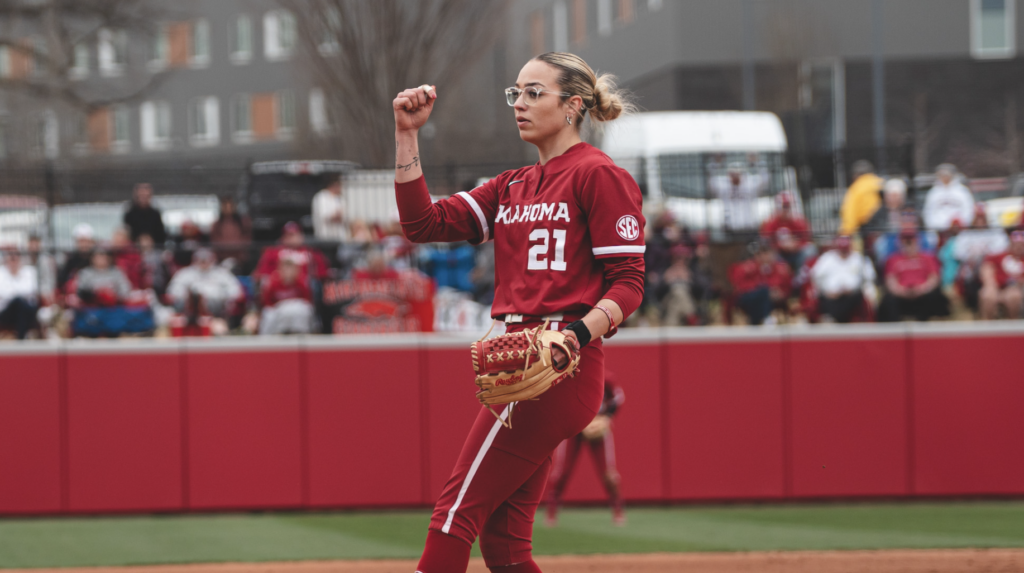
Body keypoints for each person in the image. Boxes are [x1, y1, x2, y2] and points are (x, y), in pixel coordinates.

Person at [393, 52, 644, 573]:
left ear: (573, 106)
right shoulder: (511, 185)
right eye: (516, 93)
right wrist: (406, 134)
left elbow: (629, 285)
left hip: (559, 362)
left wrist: (575, 336)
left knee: (454, 513)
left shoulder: (599, 175)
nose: (520, 104)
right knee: (505, 546)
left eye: (535, 93)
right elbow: (423, 224)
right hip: (519, 360)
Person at [544, 372, 627, 527]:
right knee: (562, 472)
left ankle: (618, 511)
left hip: (598, 425)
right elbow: (559, 400)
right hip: (575, 427)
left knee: (608, 474)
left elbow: (618, 397)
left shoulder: (604, 378)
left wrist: (608, 416)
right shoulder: (568, 376)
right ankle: (551, 513)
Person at [878, 230, 949, 322]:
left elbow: (934, 278)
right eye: (905, 240)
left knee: (936, 297)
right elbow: (890, 280)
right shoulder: (893, 259)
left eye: (911, 240)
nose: (909, 243)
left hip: (923, 294)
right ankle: (893, 331)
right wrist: (902, 291)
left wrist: (921, 289)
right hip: (901, 295)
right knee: (888, 300)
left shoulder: (928, 258)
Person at [810, 235, 877, 323]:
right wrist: (825, 291)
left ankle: (834, 320)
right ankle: (832, 320)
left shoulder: (859, 258)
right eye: (842, 250)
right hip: (830, 296)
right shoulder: (827, 258)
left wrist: (856, 290)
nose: (844, 252)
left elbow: (870, 278)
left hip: (853, 296)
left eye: (846, 250)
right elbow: (814, 276)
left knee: (858, 298)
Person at [166, 248, 243, 318]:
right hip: (188, 314)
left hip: (218, 313)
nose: (204, 262)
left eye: (206, 259)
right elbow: (173, 292)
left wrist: (218, 297)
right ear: (194, 260)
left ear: (213, 259)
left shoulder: (222, 273)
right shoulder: (184, 273)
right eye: (201, 260)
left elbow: (236, 291)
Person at [729, 240, 791, 326]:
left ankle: (756, 322)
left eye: (766, 252)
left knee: (764, 296)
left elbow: (786, 287)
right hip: (748, 298)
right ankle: (766, 319)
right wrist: (762, 289)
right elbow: (739, 286)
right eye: (760, 253)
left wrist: (779, 293)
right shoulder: (747, 267)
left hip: (772, 301)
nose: (763, 256)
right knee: (763, 293)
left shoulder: (781, 268)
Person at [253, 222, 329, 286]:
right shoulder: (272, 252)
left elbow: (323, 274)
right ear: (282, 237)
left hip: (305, 289)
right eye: (287, 235)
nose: (291, 238)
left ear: (301, 236)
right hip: (279, 288)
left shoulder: (311, 252)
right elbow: (260, 274)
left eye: (293, 234)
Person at [708, 158, 769, 236]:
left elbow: (764, 180)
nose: (735, 177)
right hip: (729, 227)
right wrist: (715, 163)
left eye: (737, 174)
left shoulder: (750, 185)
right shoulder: (723, 185)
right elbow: (710, 181)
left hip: (748, 226)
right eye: (732, 174)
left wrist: (757, 162)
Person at [259, 257, 315, 334]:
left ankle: (302, 334)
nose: (288, 272)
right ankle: (267, 339)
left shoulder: (301, 281)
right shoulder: (273, 282)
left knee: (304, 310)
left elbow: (307, 300)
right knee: (268, 314)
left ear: (296, 270)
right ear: (280, 270)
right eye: (285, 269)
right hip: (278, 309)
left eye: (291, 269)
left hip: (296, 310)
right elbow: (267, 302)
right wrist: (281, 307)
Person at [759, 191, 812, 272]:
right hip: (779, 253)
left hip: (797, 252)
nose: (785, 209)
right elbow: (766, 241)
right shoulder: (771, 222)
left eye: (787, 206)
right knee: (771, 255)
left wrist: (796, 245)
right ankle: (780, 278)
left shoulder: (799, 221)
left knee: (810, 250)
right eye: (783, 206)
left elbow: (806, 239)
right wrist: (781, 245)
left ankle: (801, 277)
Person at [978, 230, 1024, 320]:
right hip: (997, 287)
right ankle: (987, 328)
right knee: (988, 295)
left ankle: (1012, 328)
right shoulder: (1000, 256)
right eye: (1016, 244)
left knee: (1013, 296)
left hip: (1016, 288)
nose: (1018, 247)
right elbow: (986, 267)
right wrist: (990, 284)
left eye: (1021, 244)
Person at [923, 164, 974, 232]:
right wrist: (933, 228)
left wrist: (963, 225)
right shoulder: (933, 192)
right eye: (942, 175)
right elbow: (928, 212)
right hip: (939, 232)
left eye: (947, 174)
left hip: (959, 231)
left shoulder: (963, 191)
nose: (945, 177)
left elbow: (969, 209)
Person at [0, 250, 39, 339]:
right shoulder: (1, 273)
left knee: (20, 304)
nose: (13, 263)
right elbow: (3, 293)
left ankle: (21, 338)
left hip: (26, 309)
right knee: (18, 302)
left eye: (15, 259)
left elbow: (31, 291)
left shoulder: (29, 272)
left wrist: (14, 294)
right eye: (11, 259)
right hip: (6, 312)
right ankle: (21, 338)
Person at [839, 160, 883, 236]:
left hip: (866, 229)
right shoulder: (881, 183)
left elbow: (850, 212)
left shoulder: (856, 188)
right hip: (885, 227)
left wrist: (845, 232)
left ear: (856, 175)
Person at [209, 196, 253, 268]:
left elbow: (248, 238)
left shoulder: (243, 223)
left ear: (234, 207)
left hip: (240, 258)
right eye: (225, 206)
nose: (228, 209)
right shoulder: (217, 224)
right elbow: (214, 240)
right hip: (222, 258)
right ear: (221, 207)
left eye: (230, 206)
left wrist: (238, 247)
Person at [58, 223, 96, 292]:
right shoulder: (70, 260)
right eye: (81, 241)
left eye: (87, 241)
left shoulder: (98, 259)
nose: (84, 244)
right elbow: (62, 281)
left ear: (92, 242)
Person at [312, 175, 349, 241]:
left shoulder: (340, 199)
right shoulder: (321, 196)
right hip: (324, 236)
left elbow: (346, 216)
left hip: (339, 236)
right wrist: (334, 215)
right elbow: (322, 215)